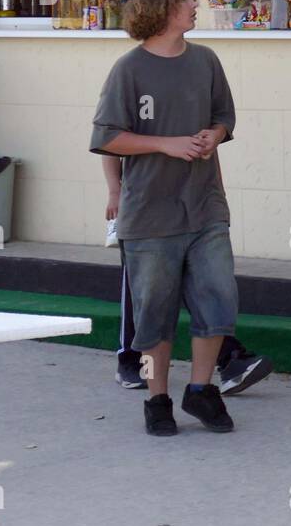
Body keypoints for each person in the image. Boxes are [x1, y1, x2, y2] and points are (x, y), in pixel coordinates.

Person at [90, 0, 240, 436]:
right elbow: (108, 136)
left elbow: (223, 118)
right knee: (155, 312)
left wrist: (212, 137)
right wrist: (166, 144)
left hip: (205, 206)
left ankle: (200, 390)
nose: (194, 4)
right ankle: (157, 399)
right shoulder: (128, 69)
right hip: (150, 213)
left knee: (219, 297)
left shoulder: (207, 61)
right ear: (162, 8)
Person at [103, 154, 274, 395]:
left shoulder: (193, 117)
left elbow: (210, 152)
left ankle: (228, 359)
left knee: (202, 280)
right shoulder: (133, 118)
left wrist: (217, 202)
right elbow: (109, 140)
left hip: (189, 207)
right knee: (145, 286)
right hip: (144, 212)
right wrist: (114, 192)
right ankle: (130, 360)